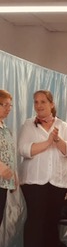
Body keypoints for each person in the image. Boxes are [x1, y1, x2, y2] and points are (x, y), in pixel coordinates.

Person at [18, 90, 67, 247]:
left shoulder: (63, 125)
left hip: (58, 180)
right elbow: (24, 150)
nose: (39, 105)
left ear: (51, 104)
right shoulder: (28, 124)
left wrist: (57, 140)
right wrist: (47, 142)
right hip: (34, 179)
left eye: (43, 101)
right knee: (35, 216)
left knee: (51, 218)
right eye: (36, 102)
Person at [0, 90, 17, 232]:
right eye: (5, 105)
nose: (8, 109)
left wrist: (13, 176)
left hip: (3, 183)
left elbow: (9, 154)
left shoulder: (5, 129)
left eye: (10, 105)